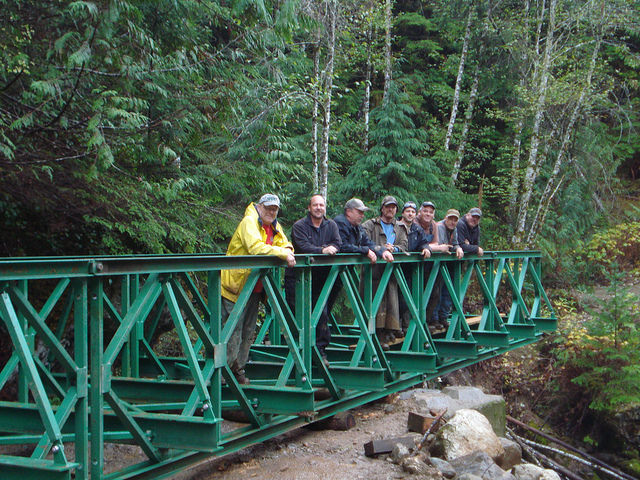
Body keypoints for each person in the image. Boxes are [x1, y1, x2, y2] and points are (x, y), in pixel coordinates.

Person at [220, 194, 295, 385]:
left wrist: (287, 249)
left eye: (275, 209)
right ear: (260, 207)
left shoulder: (274, 226)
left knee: (248, 331)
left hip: (254, 289)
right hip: (236, 287)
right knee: (232, 332)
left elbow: (285, 243)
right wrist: (283, 254)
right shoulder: (249, 222)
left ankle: (238, 371)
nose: (271, 212)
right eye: (268, 208)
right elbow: (255, 248)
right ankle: (221, 377)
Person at [284, 194, 341, 365]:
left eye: (321, 205)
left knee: (321, 314)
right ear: (309, 208)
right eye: (315, 205)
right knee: (298, 317)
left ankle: (320, 352)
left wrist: (329, 248)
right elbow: (302, 247)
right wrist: (323, 250)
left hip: (320, 279)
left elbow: (338, 244)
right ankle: (298, 355)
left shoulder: (331, 225)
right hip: (298, 278)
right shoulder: (299, 226)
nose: (318, 208)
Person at [331, 198, 394, 341]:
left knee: (326, 306)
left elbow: (367, 242)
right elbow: (342, 246)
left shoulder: (356, 226)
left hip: (340, 273)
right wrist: (365, 251)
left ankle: (320, 343)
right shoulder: (340, 223)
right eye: (359, 212)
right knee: (322, 307)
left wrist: (381, 251)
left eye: (363, 213)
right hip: (329, 272)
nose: (362, 215)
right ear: (348, 211)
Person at [362, 196, 408, 348]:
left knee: (392, 301)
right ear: (382, 208)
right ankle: (376, 336)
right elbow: (363, 241)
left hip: (391, 271)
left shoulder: (400, 227)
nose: (391, 209)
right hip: (374, 272)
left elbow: (404, 246)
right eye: (388, 207)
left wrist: (394, 249)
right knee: (376, 302)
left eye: (394, 207)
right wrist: (380, 248)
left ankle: (389, 332)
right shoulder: (370, 225)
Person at [398, 201, 431, 332]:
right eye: (407, 211)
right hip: (395, 268)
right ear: (403, 213)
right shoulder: (396, 226)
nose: (410, 214)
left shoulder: (417, 229)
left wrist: (426, 248)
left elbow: (424, 242)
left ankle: (407, 326)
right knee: (397, 299)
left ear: (415, 214)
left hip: (411, 270)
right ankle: (397, 327)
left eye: (412, 212)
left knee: (408, 298)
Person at [433, 208, 464, 331]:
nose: (452, 222)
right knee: (436, 292)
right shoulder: (439, 227)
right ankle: (435, 318)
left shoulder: (454, 229)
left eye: (455, 220)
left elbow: (455, 243)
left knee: (447, 291)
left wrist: (458, 248)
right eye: (450, 219)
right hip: (436, 264)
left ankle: (443, 317)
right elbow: (438, 245)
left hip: (446, 264)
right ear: (446, 218)